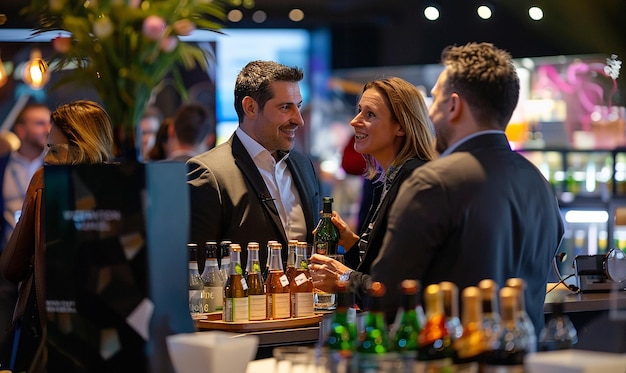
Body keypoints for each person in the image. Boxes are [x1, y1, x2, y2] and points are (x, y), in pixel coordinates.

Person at [371, 43, 563, 339]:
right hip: (523, 360)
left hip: (452, 361)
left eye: (434, 100)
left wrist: (346, 280)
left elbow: (387, 298)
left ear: (454, 106)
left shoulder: (434, 182)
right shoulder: (538, 181)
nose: (431, 114)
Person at [0, 100, 114, 372]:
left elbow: (11, 266)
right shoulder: (123, 185)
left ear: (79, 144)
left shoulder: (44, 181)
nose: (47, 157)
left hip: (50, 337)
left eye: (52, 149)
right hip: (108, 334)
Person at [308, 77, 438, 308]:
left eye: (370, 115)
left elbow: (399, 285)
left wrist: (343, 277)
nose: (354, 121)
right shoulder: (386, 179)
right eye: (359, 111)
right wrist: (353, 244)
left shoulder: (414, 180)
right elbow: (381, 264)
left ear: (401, 126)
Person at [187, 60, 321, 269]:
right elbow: (200, 270)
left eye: (299, 106)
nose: (299, 120)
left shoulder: (303, 165)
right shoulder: (209, 173)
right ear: (250, 107)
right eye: (285, 107)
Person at [0, 103, 50, 368]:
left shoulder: (52, 167)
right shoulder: (3, 166)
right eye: (38, 123)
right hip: (8, 251)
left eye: (48, 122)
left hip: (40, 259)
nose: (46, 128)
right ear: (20, 129)